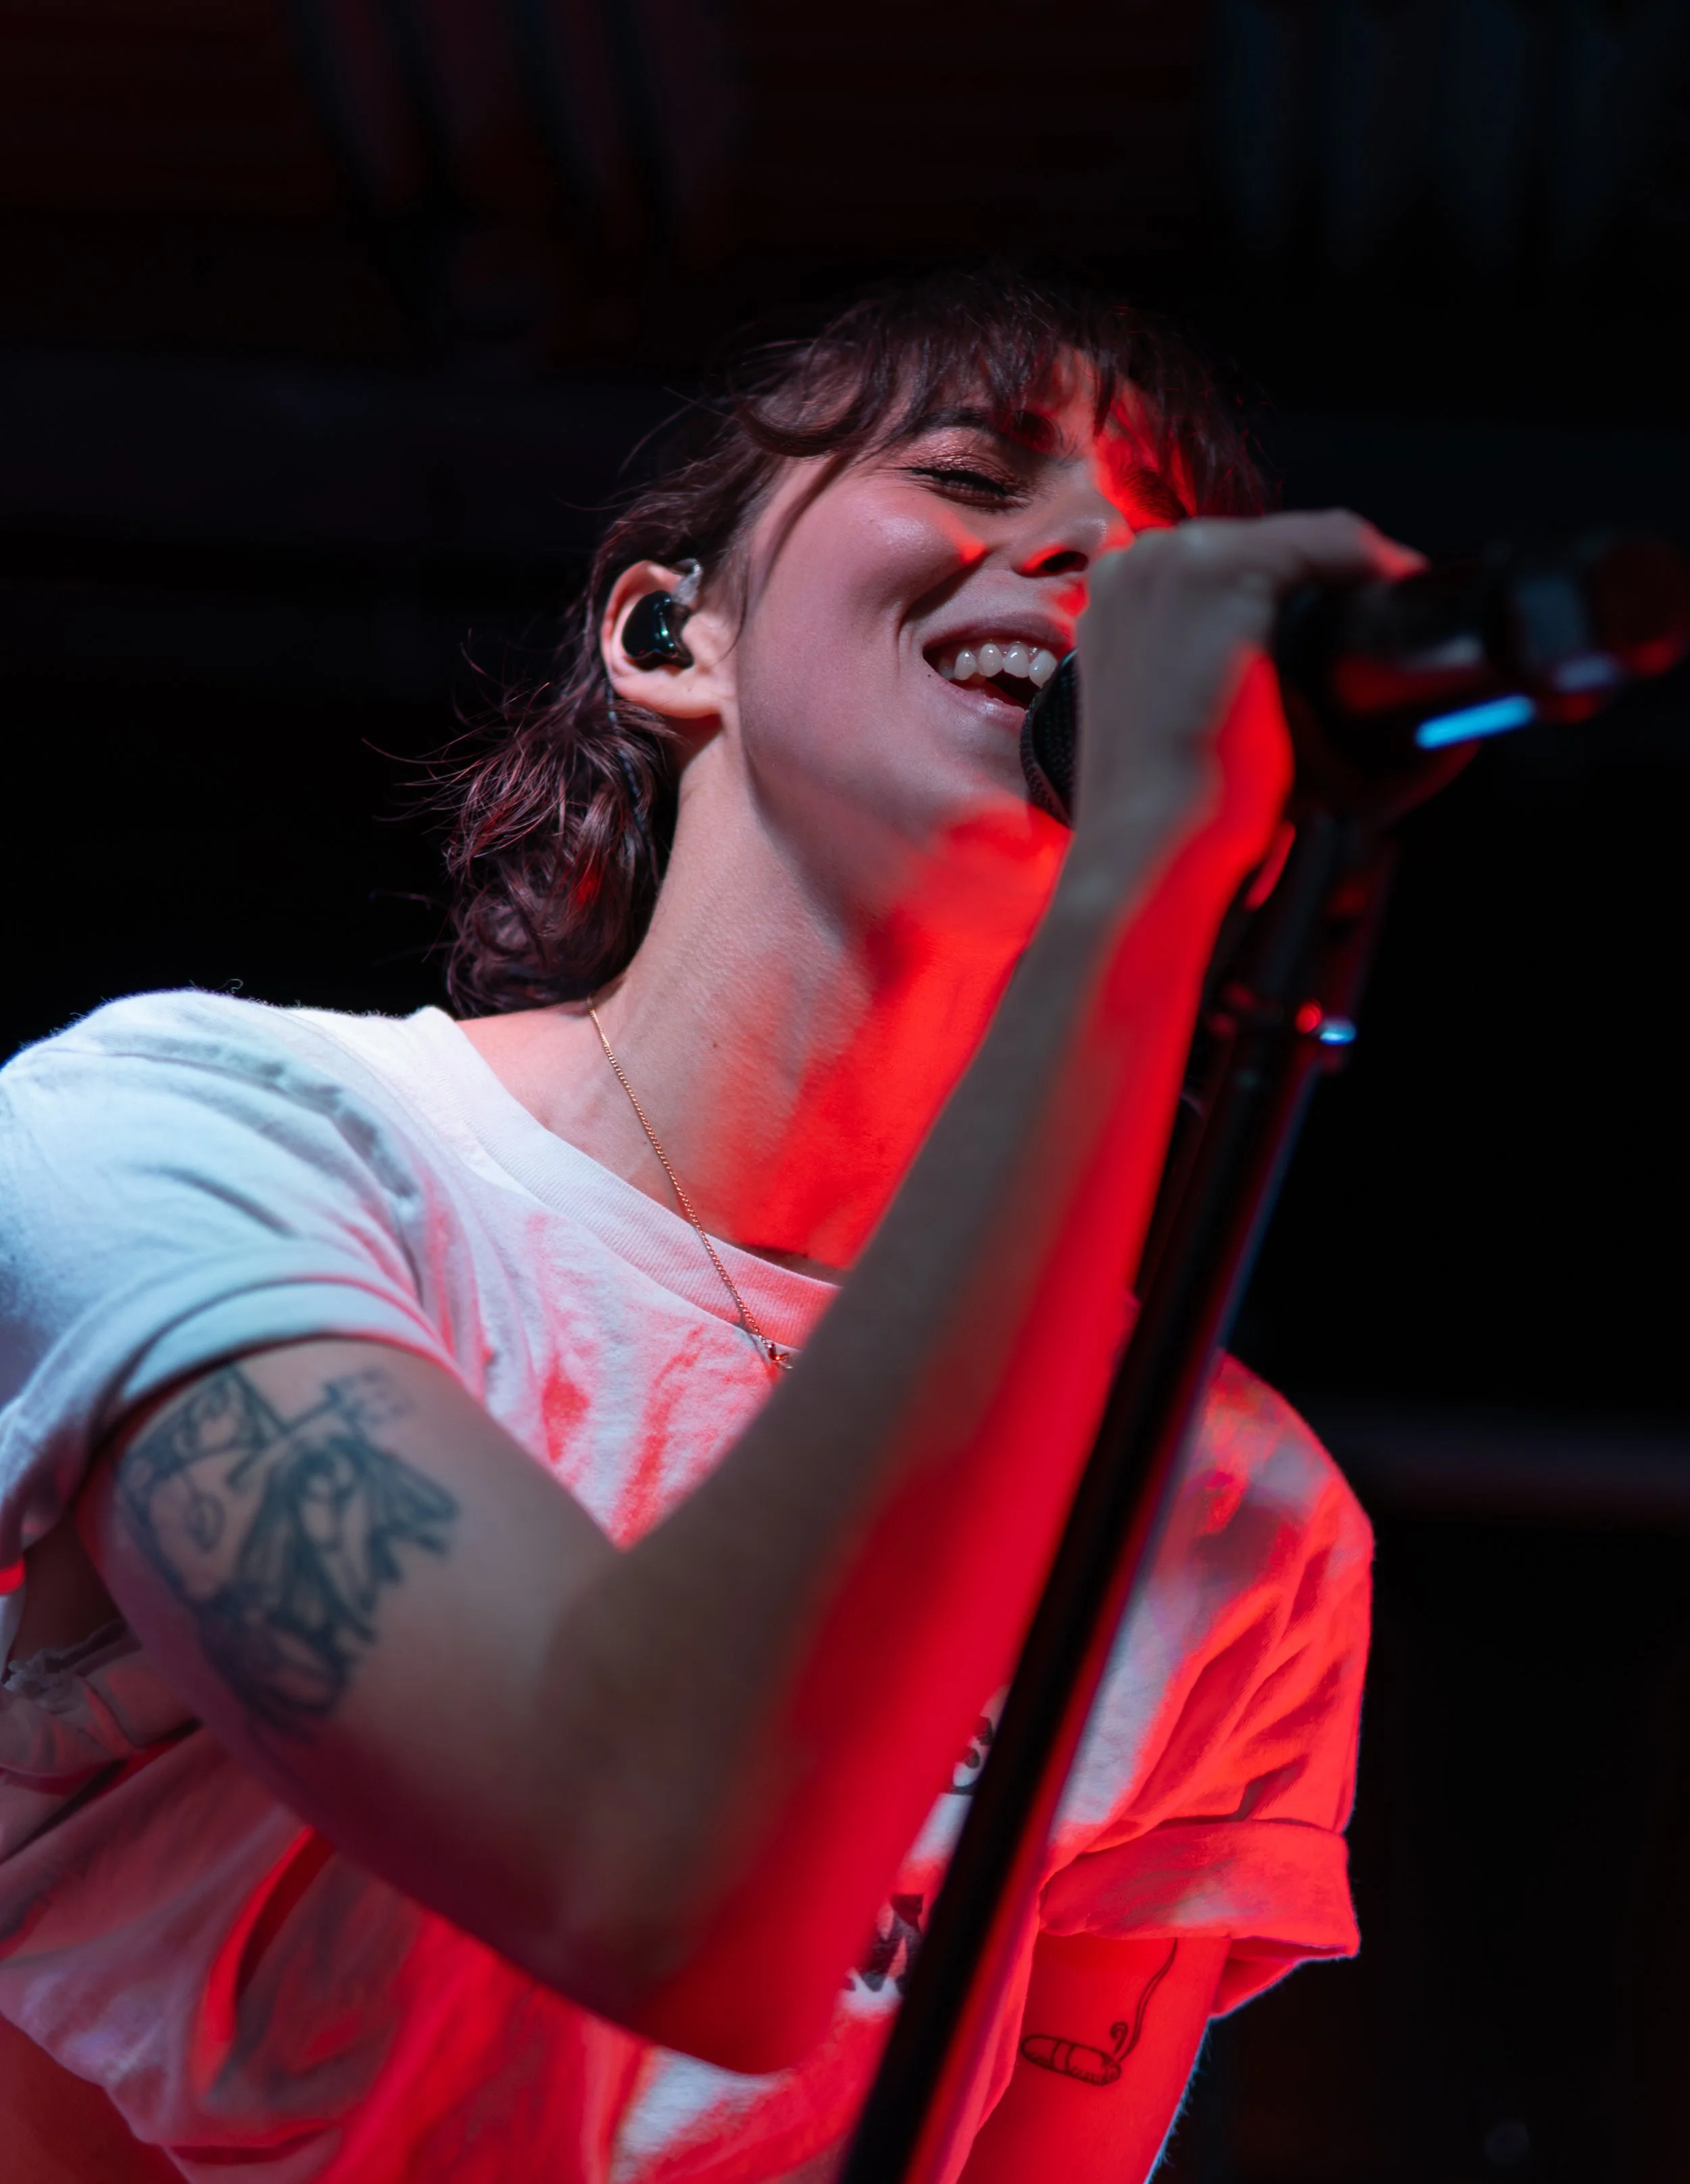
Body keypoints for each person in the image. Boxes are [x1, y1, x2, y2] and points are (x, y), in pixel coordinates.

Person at [0, 269, 1395, 2184]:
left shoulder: (1226, 1505)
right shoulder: (211, 1147)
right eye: (974, 474)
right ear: (675, 634)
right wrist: (1144, 889)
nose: (1094, 559)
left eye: (1162, 548)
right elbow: (657, 1874)